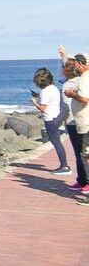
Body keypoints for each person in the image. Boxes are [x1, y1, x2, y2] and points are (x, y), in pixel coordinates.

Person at [59, 46, 89, 194]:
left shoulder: (71, 84)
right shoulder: (81, 79)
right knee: (83, 154)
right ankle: (82, 181)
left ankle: (84, 182)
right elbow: (69, 66)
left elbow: (66, 108)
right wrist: (63, 55)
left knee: (82, 154)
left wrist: (56, 122)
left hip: (76, 122)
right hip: (80, 120)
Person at [31, 66, 71, 174]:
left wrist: (34, 102)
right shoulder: (53, 88)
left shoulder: (44, 91)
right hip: (56, 116)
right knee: (57, 141)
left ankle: (64, 166)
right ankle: (64, 165)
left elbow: (42, 108)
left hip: (49, 118)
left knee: (56, 142)